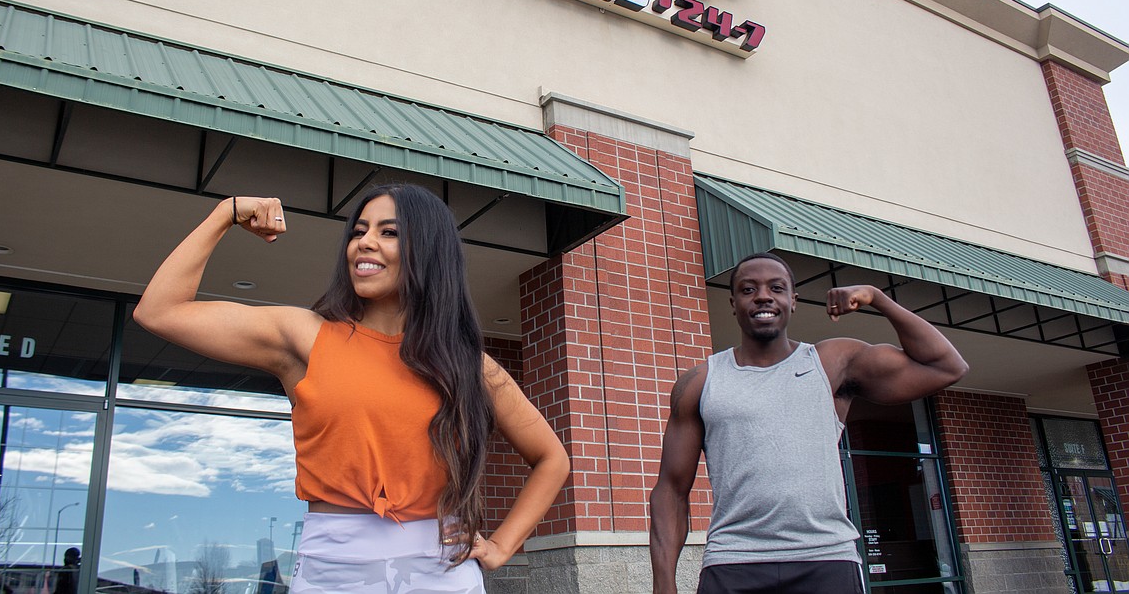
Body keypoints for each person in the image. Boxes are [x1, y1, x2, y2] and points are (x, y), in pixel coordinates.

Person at [133, 184, 570, 594]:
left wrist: (500, 547)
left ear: (429, 251)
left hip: (441, 569)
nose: (364, 242)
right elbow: (160, 312)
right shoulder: (306, 337)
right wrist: (224, 213)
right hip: (333, 566)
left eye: (389, 232)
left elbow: (552, 458)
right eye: (359, 231)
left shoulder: (467, 364)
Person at [649, 252, 969, 594]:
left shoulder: (832, 364)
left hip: (826, 559)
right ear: (733, 303)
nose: (763, 296)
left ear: (793, 301)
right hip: (734, 562)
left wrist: (878, 298)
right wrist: (664, 583)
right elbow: (671, 490)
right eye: (748, 289)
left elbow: (946, 366)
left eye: (776, 287)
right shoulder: (700, 382)